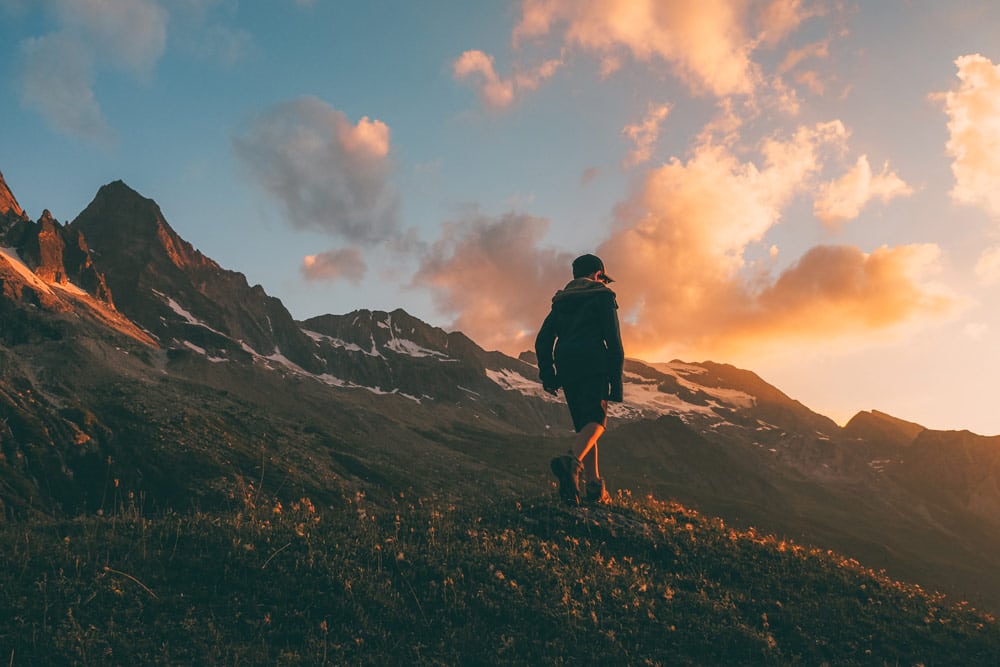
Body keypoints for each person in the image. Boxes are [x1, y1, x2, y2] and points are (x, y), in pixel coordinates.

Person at [535, 253, 624, 506]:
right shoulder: (602, 296)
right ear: (598, 275)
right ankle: (571, 462)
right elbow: (613, 341)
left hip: (566, 366)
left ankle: (593, 487)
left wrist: (549, 374)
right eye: (603, 278)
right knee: (597, 422)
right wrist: (616, 383)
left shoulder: (560, 301)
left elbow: (543, 340)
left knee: (585, 426)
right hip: (593, 363)